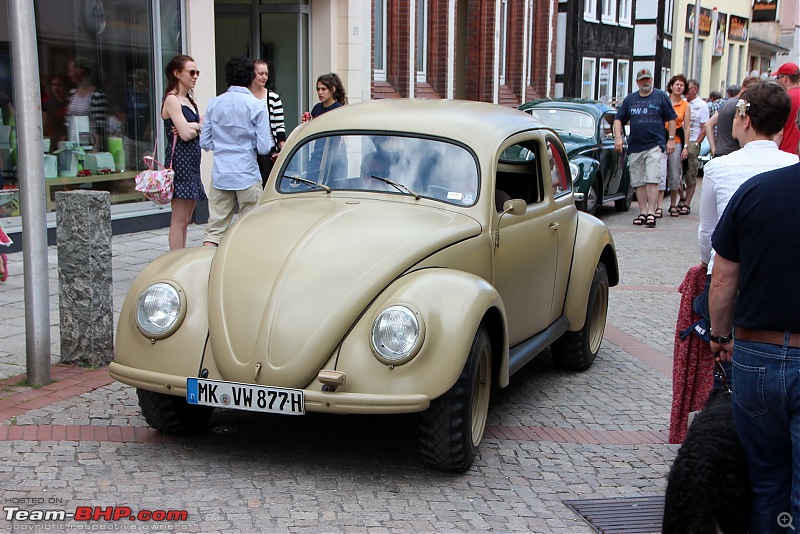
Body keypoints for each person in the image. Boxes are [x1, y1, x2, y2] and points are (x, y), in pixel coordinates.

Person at [708, 112, 800, 533]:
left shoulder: (756, 191)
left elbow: (723, 278)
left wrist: (719, 336)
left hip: (756, 353)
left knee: (764, 482)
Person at [699, 81, 798, 388]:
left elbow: (708, 234)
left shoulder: (719, 168)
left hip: (730, 274)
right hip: (781, 276)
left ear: (745, 120)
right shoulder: (794, 164)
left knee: (727, 375)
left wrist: (706, 263)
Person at [200, 55, 272, 248]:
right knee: (251, 227)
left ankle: (206, 269)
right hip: (247, 173)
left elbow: (205, 142)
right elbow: (265, 147)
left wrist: (224, 145)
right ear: (250, 77)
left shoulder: (214, 104)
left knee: (214, 230)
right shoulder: (256, 105)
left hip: (221, 173)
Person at [614, 68, 676, 228]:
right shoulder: (630, 100)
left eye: (648, 79)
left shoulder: (661, 97)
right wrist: (618, 138)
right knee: (638, 181)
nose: (645, 82)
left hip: (655, 145)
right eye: (642, 80)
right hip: (635, 146)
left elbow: (672, 119)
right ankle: (642, 212)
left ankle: (651, 213)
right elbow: (618, 119)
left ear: (651, 80)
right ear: (637, 82)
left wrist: (670, 140)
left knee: (652, 179)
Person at [161, 55, 206, 251]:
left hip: (192, 163)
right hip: (180, 163)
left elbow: (196, 128)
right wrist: (197, 126)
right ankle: (175, 259)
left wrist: (192, 126)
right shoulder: (171, 100)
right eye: (191, 72)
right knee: (179, 219)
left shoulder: (189, 101)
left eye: (197, 72)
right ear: (177, 74)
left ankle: (179, 256)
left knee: (187, 219)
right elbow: (186, 134)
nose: (195, 76)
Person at [248, 59, 286, 186]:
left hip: (268, 150)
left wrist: (283, 150)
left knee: (266, 186)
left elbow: (280, 126)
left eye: (266, 74)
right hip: (248, 151)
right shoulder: (245, 96)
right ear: (252, 74)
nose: (264, 77)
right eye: (260, 74)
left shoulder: (273, 98)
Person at [66, 57, 109, 152]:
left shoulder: (97, 95)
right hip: (73, 146)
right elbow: (68, 121)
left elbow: (101, 125)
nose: (69, 74)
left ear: (81, 71)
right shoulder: (72, 94)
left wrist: (96, 149)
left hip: (89, 147)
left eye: (71, 70)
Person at [679, 79, 708, 215]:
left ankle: (687, 202)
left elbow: (704, 127)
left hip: (692, 140)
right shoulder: (682, 103)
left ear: (694, 89)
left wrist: (696, 143)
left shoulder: (701, 105)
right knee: (675, 172)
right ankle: (681, 195)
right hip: (679, 139)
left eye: (687, 88)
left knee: (691, 172)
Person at [663, 74, 690, 217]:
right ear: (671, 86)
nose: (679, 87)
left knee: (674, 173)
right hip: (662, 138)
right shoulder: (664, 101)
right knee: (661, 173)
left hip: (677, 141)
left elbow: (686, 127)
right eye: (677, 84)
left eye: (682, 85)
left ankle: (673, 204)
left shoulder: (685, 105)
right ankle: (657, 206)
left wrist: (686, 146)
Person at [123, 68, 152, 171]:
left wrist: (149, 129)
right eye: (135, 80)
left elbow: (153, 114)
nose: (138, 82)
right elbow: (124, 113)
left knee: (145, 165)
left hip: (144, 137)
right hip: (129, 134)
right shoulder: (129, 94)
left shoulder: (150, 95)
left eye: (141, 79)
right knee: (129, 164)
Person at [772, 62, 800, 155]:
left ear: (785, 78)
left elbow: (779, 133)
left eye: (778, 78)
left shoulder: (784, 98)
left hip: (787, 151)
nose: (777, 81)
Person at [42, 73, 71, 143]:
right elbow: (44, 127)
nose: (55, 88)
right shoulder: (48, 105)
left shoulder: (72, 103)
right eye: (53, 85)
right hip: (54, 141)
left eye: (59, 85)